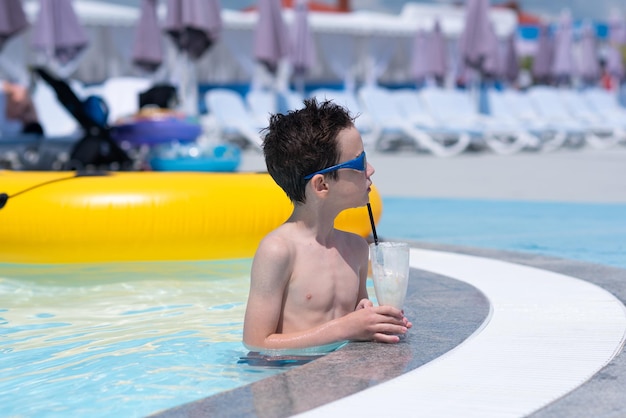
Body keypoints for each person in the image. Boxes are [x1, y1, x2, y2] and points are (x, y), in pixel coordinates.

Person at [243, 98, 411, 353]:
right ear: (322, 185)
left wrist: (372, 319)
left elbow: (356, 317)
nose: (371, 170)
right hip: (290, 378)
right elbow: (257, 342)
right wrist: (346, 327)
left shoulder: (355, 247)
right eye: (359, 163)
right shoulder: (279, 251)